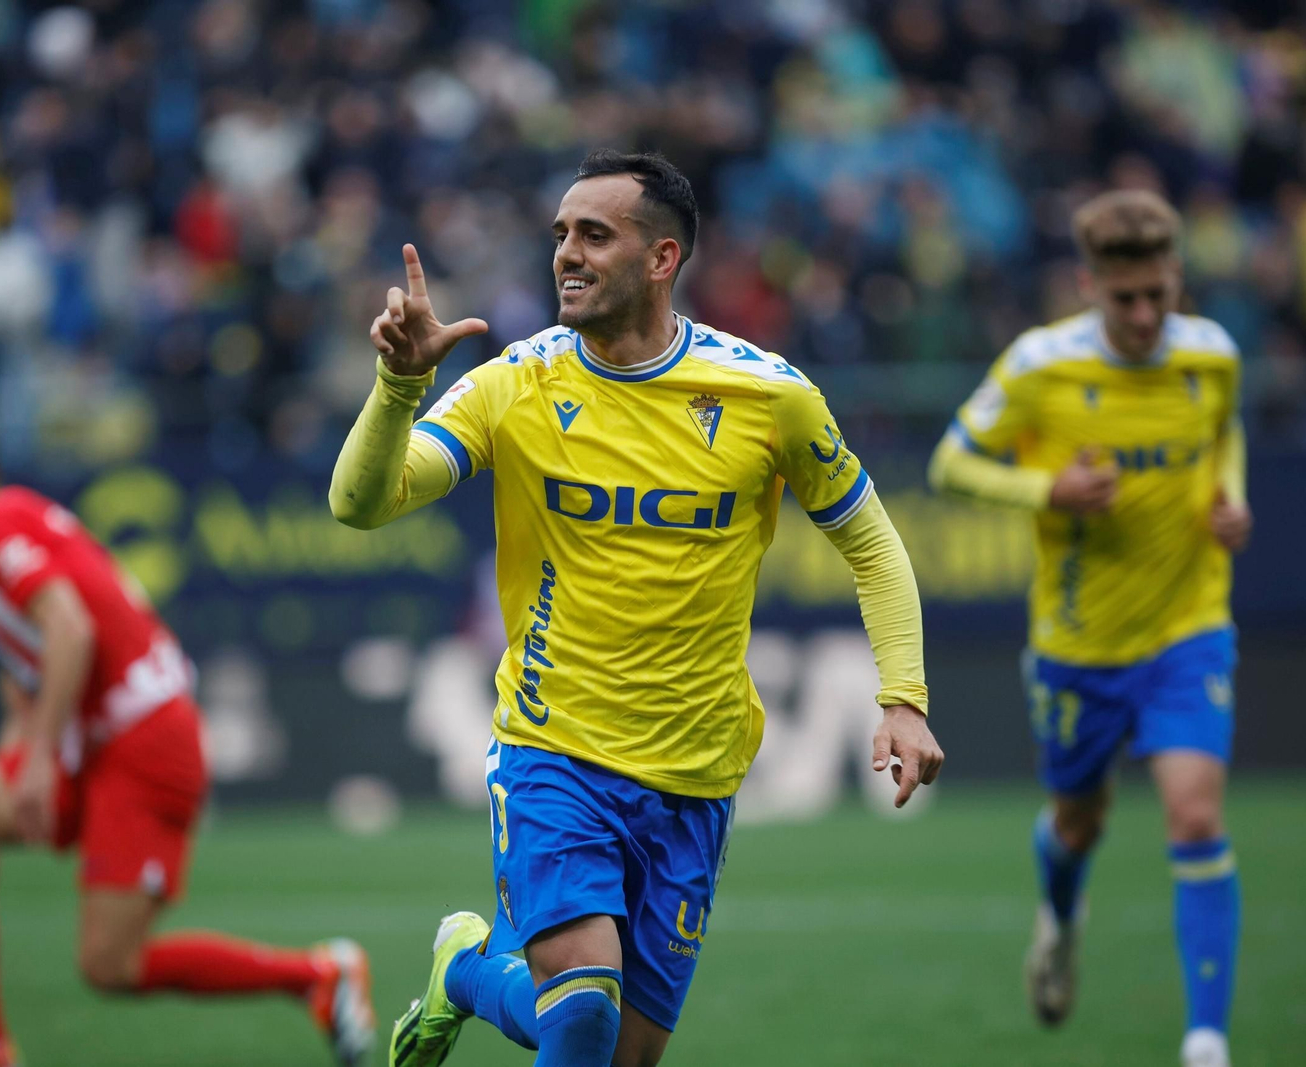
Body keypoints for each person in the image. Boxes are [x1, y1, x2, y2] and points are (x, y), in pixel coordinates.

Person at [329, 150, 943, 1067]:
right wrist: (397, 387)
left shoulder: (769, 396)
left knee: (621, 1049)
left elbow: (873, 544)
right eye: (561, 235)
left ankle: (466, 971)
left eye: (594, 235)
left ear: (662, 258)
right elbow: (362, 502)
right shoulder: (515, 382)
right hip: (553, 748)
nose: (567, 254)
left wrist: (904, 696)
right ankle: (491, 973)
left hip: (696, 771)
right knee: (582, 1008)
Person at [0, 411, 374, 1067]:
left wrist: (34, 763)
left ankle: (317, 975)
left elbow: (71, 630)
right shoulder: (12, 523)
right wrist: (20, 760)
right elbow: (32, 678)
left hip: (142, 742)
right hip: (102, 742)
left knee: (109, 964)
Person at [928, 190, 1250, 1067]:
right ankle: (1063, 921)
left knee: (1195, 815)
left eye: (1158, 295)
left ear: (1176, 277)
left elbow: (1224, 435)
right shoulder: (1040, 366)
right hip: (1078, 643)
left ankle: (1206, 1040)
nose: (1144, 315)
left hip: (1188, 625)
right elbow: (950, 464)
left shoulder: (1213, 355)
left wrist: (1230, 496)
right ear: (1088, 286)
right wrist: (1049, 489)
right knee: (1078, 822)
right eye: (1125, 298)